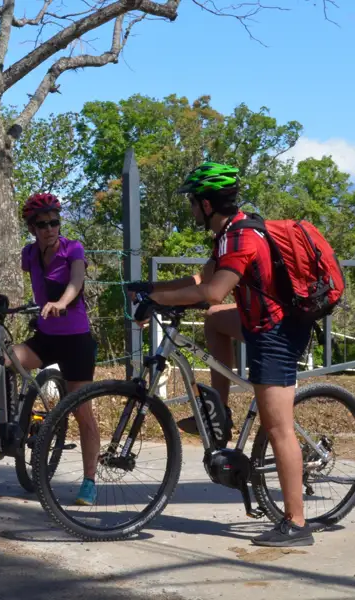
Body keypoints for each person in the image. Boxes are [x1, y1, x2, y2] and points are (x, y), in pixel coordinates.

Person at [131, 162, 314, 547]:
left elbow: (215, 291)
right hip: (256, 320)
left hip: (277, 333)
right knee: (215, 321)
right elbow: (201, 281)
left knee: (278, 426)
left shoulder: (243, 238)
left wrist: (156, 301)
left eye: (193, 203)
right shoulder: (228, 234)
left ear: (207, 204)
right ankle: (222, 412)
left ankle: (297, 523)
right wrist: (154, 287)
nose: (190, 209)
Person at [0, 192, 101, 505]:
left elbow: (76, 281)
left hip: (76, 340)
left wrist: (61, 302)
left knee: (81, 411)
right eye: (42, 224)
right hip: (45, 338)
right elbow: (34, 285)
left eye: (54, 222)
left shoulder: (72, 248)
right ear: (32, 228)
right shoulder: (29, 254)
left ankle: (89, 481)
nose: (50, 228)